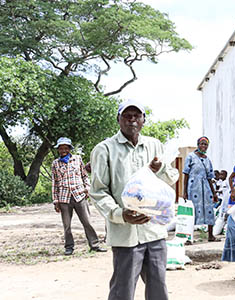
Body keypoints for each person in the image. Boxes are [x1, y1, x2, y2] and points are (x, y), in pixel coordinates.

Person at [89, 100, 179, 300]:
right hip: (125, 234)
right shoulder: (105, 149)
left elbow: (172, 178)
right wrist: (121, 214)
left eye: (137, 116)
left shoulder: (154, 145)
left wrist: (160, 169)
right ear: (118, 119)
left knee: (158, 289)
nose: (132, 120)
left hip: (154, 231)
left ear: (144, 120)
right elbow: (98, 191)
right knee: (123, 290)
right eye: (127, 116)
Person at [51, 137, 105, 256]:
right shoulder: (55, 163)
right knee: (67, 225)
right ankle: (69, 247)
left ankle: (94, 245)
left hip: (79, 195)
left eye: (66, 148)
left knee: (87, 222)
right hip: (64, 198)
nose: (63, 150)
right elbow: (55, 183)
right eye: (61, 148)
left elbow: (84, 175)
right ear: (58, 149)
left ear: (69, 149)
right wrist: (55, 200)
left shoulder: (77, 159)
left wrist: (87, 187)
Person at [183, 136, 219, 242]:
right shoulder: (190, 157)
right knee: (192, 212)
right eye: (202, 144)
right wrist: (184, 191)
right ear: (198, 145)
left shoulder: (208, 160)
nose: (203, 146)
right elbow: (186, 174)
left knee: (209, 211)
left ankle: (211, 236)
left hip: (206, 190)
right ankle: (189, 237)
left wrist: (214, 193)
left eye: (206, 144)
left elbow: (209, 178)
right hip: (193, 188)